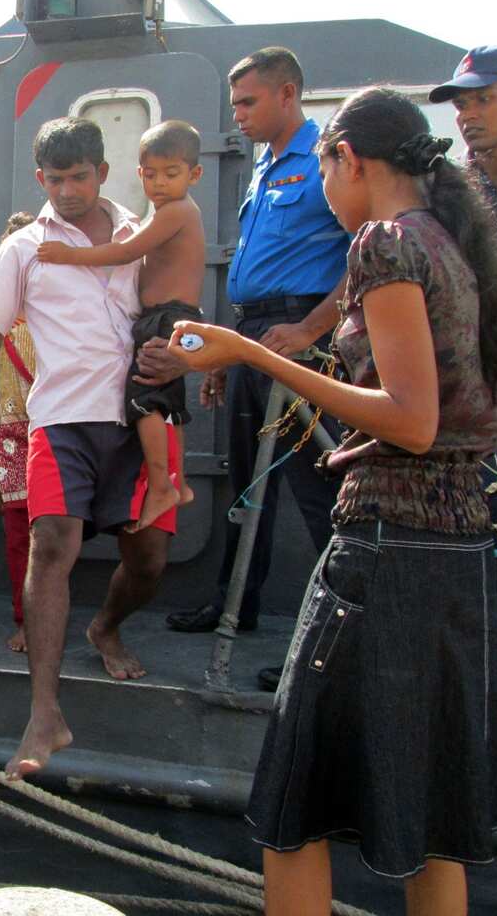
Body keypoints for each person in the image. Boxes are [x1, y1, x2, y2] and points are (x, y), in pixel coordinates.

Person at [171, 86, 497, 916]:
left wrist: (250, 352)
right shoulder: (454, 243)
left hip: (387, 546)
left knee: (293, 806)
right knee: (432, 819)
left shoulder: (385, 245)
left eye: (328, 165)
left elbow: (413, 419)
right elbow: (444, 410)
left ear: (348, 160)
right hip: (454, 546)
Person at [0, 116, 178, 781]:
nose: (68, 189)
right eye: (56, 179)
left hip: (139, 417)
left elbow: (175, 313)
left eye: (79, 176)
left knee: (149, 558)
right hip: (62, 420)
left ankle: (106, 625)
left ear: (103, 173)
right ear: (40, 179)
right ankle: (43, 712)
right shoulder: (22, 249)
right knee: (52, 543)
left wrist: (191, 360)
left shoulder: (147, 235)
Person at [166, 48, 351, 660]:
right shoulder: (265, 166)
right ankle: (236, 604)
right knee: (249, 487)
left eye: (248, 102)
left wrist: (310, 329)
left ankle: (334, 639)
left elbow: (369, 256)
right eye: (234, 103)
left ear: (288, 94)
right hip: (256, 335)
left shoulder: (329, 159)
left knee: (319, 488)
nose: (237, 115)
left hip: (304, 343)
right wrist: (229, 352)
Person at [37, 119, 205, 531]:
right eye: (150, 175)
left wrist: (67, 255)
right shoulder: (166, 212)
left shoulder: (176, 212)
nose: (159, 183)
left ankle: (162, 483)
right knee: (169, 405)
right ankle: (177, 481)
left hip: (165, 318)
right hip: (168, 317)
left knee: (143, 398)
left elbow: (125, 251)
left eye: (171, 174)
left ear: (195, 174)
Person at [429, 44, 497, 655]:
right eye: (462, 103)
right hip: (477, 402)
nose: (468, 114)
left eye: (484, 98)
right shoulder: (455, 192)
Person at [0, 212, 37, 653]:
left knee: (58, 530)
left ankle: (45, 616)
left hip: (53, 429)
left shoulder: (58, 311)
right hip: (9, 435)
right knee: (18, 531)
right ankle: (25, 620)